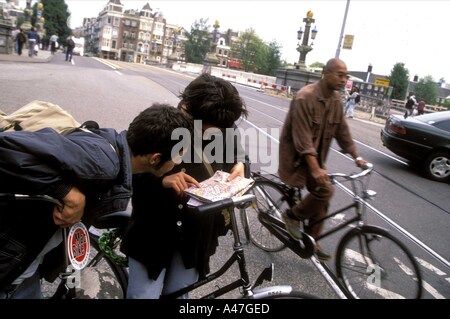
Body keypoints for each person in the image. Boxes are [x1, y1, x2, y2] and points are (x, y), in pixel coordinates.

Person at [0, 103, 193, 299]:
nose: (178, 164)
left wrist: (162, 180)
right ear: (155, 158)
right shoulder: (102, 162)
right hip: (8, 269)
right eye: (177, 158)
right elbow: (5, 148)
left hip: (24, 270)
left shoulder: (114, 148)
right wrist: (66, 192)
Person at [121, 73, 249, 299]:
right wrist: (161, 180)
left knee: (180, 296)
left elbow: (239, 155)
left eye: (217, 131)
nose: (211, 135)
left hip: (195, 236)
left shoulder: (222, 125)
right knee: (143, 296)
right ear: (186, 108)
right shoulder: (159, 125)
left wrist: (240, 166)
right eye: (204, 129)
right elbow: (126, 170)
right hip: (153, 231)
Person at [278, 58, 367, 262]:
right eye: (340, 74)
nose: (344, 80)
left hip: (315, 161)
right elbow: (303, 140)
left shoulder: (336, 101)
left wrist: (357, 157)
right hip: (296, 160)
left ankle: (312, 240)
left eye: (346, 76)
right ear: (325, 74)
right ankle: (292, 216)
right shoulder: (304, 98)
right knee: (325, 189)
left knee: (323, 198)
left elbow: (343, 133)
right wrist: (316, 170)